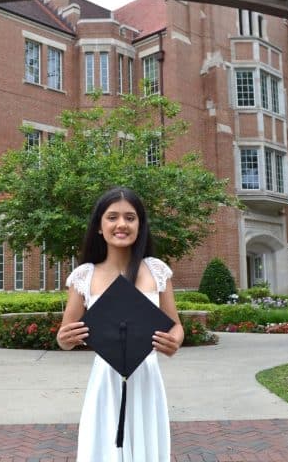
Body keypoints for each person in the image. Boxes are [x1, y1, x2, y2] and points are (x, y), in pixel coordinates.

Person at [57, 186, 184, 462]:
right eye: (112, 217)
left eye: (130, 217)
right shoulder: (85, 275)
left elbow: (176, 325)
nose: (121, 224)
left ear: (140, 225)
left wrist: (175, 341)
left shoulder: (156, 270)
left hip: (147, 376)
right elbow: (64, 336)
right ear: (100, 227)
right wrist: (66, 339)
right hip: (106, 379)